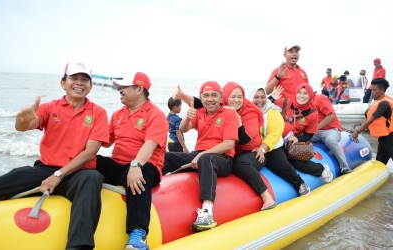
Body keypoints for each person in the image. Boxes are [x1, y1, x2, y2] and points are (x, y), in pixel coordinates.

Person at [0, 61, 109, 250]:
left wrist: (59, 176)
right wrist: (21, 120)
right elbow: (25, 126)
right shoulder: (50, 107)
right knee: (17, 174)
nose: (79, 83)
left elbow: (90, 153)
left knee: (93, 177)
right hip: (45, 169)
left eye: (84, 80)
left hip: (78, 173)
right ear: (63, 83)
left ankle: (78, 247)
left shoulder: (98, 113)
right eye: (74, 78)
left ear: (90, 87)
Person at [172, 82, 278, 210]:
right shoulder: (219, 106)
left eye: (240, 97)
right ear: (226, 97)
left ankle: (266, 196)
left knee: (241, 164)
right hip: (230, 150)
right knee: (170, 157)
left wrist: (239, 120)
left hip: (250, 150)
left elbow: (243, 140)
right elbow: (199, 101)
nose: (236, 100)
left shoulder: (250, 113)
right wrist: (182, 96)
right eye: (233, 97)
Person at [95, 72, 168, 250]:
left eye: (124, 87)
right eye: (119, 87)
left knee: (138, 174)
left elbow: (149, 145)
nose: (119, 90)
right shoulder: (118, 114)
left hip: (147, 166)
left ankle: (138, 234)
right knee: (91, 160)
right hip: (119, 165)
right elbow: (103, 141)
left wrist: (136, 165)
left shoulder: (155, 115)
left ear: (139, 89)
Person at [163, 81, 239, 232]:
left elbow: (228, 144)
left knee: (206, 158)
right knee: (166, 156)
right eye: (205, 96)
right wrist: (186, 117)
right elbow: (184, 129)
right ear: (201, 98)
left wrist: (203, 154)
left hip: (222, 158)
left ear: (221, 98)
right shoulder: (199, 112)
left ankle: (207, 212)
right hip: (199, 154)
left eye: (214, 95)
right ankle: (150, 188)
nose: (209, 99)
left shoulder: (229, 114)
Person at [248, 87, 311, 196]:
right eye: (256, 97)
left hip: (273, 146)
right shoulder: (246, 112)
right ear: (250, 98)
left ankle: (300, 183)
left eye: (263, 97)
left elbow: (274, 134)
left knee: (282, 167)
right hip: (255, 147)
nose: (260, 100)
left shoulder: (272, 111)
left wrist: (263, 149)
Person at [271, 83, 333, 183]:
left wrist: (297, 139)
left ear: (311, 95)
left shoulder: (312, 113)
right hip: (276, 138)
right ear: (295, 93)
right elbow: (262, 108)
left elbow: (310, 133)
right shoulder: (285, 102)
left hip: (292, 144)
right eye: (299, 92)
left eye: (305, 93)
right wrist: (272, 98)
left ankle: (321, 169)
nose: (301, 96)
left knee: (295, 163)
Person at [351, 78, 393, 165]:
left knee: (381, 161)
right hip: (384, 140)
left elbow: (371, 119)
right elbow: (367, 118)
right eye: (371, 90)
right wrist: (357, 130)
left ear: (382, 90)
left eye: (374, 90)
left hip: (391, 139)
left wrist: (357, 132)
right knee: (380, 163)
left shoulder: (384, 104)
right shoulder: (376, 102)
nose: (372, 92)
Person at [312, 94, 352, 175]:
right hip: (316, 132)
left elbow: (331, 116)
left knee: (329, 139)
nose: (302, 95)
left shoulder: (319, 98)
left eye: (305, 93)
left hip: (331, 130)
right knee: (299, 137)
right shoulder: (301, 103)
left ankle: (345, 167)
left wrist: (315, 128)